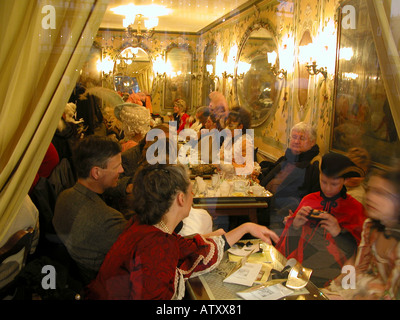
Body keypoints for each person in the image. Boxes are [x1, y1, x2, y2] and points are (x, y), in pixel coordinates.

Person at [84, 163, 279, 300]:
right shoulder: (156, 245)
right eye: (190, 191)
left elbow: (191, 247)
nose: (193, 195)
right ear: (180, 198)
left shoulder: (146, 226)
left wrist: (245, 227)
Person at [275, 152, 366, 287]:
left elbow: (359, 252)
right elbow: (289, 244)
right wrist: (295, 224)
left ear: (344, 181)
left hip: (335, 274)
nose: (328, 188)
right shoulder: (309, 200)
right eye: (324, 182)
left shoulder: (355, 208)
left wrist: (338, 232)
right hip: (302, 267)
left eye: (334, 184)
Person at [52, 135, 130, 284]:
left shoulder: (64, 196)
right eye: (116, 166)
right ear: (96, 173)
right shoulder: (109, 220)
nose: (122, 170)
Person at [322, 167, 400, 299]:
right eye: (369, 190)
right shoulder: (371, 226)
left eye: (381, 193)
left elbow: (390, 295)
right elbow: (359, 270)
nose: (370, 197)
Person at [259, 122, 321, 232]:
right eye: (294, 137)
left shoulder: (312, 168)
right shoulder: (287, 158)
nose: (296, 141)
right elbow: (269, 173)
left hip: (278, 218)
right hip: (262, 206)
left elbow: (309, 201)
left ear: (312, 142)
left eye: (302, 138)